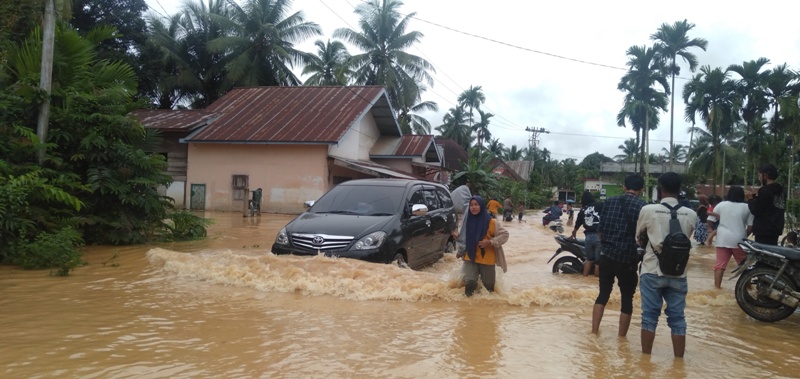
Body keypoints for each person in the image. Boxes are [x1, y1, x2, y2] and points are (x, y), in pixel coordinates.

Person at [636, 172, 696, 358]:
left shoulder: (648, 210)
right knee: (678, 319)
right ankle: (679, 363)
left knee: (649, 318)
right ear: (680, 190)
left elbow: (638, 238)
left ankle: (646, 362)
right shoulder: (691, 214)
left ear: (659, 190)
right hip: (679, 272)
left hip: (652, 270)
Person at [592, 174, 646, 336]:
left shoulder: (609, 202)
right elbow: (642, 238)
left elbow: (600, 232)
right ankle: (621, 338)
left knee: (603, 294)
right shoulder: (643, 207)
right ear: (641, 190)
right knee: (627, 300)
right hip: (628, 259)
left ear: (624, 187)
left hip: (607, 256)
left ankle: (594, 331)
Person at [456, 196, 509, 296]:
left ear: (481, 206)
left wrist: (490, 242)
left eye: (476, 205)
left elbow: (505, 235)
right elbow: (463, 238)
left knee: (488, 288)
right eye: (471, 205)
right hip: (471, 257)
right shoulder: (467, 222)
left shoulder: (492, 222)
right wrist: (460, 251)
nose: (473, 207)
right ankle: (467, 311)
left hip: (487, 259)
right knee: (469, 285)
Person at [707, 186, 753, 289]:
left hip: (722, 238)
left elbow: (710, 219)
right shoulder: (747, 207)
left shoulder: (721, 205)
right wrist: (744, 236)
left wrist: (711, 228)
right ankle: (748, 288)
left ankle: (717, 288)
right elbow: (751, 227)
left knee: (720, 265)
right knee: (744, 266)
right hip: (739, 240)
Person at [747, 163, 786, 245]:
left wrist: (750, 199)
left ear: (765, 175)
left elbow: (756, 210)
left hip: (764, 230)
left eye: (759, 175)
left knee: (763, 255)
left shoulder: (765, 191)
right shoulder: (780, 191)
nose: (759, 178)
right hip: (776, 228)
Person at [570, 191, 602, 277]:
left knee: (589, 260)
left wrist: (574, 233)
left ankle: (585, 279)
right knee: (598, 263)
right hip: (599, 236)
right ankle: (595, 284)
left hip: (588, 237)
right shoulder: (599, 205)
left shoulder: (583, 210)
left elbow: (577, 223)